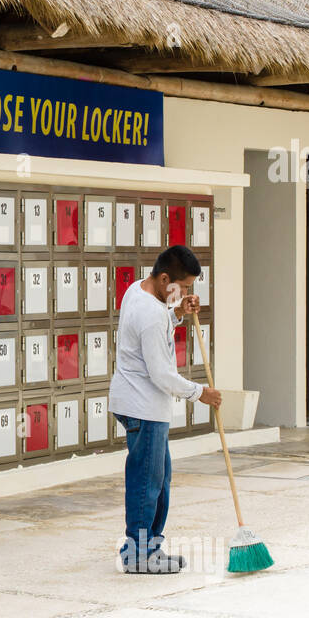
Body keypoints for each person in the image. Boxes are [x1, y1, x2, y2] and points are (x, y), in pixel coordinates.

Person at [109, 245, 222, 573]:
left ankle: (149, 549)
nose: (186, 292)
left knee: (158, 478)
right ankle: (139, 555)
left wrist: (177, 313)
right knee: (147, 481)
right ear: (163, 279)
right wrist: (199, 392)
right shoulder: (151, 314)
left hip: (138, 402)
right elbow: (160, 373)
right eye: (183, 287)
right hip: (143, 406)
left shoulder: (138, 291)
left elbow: (152, 334)